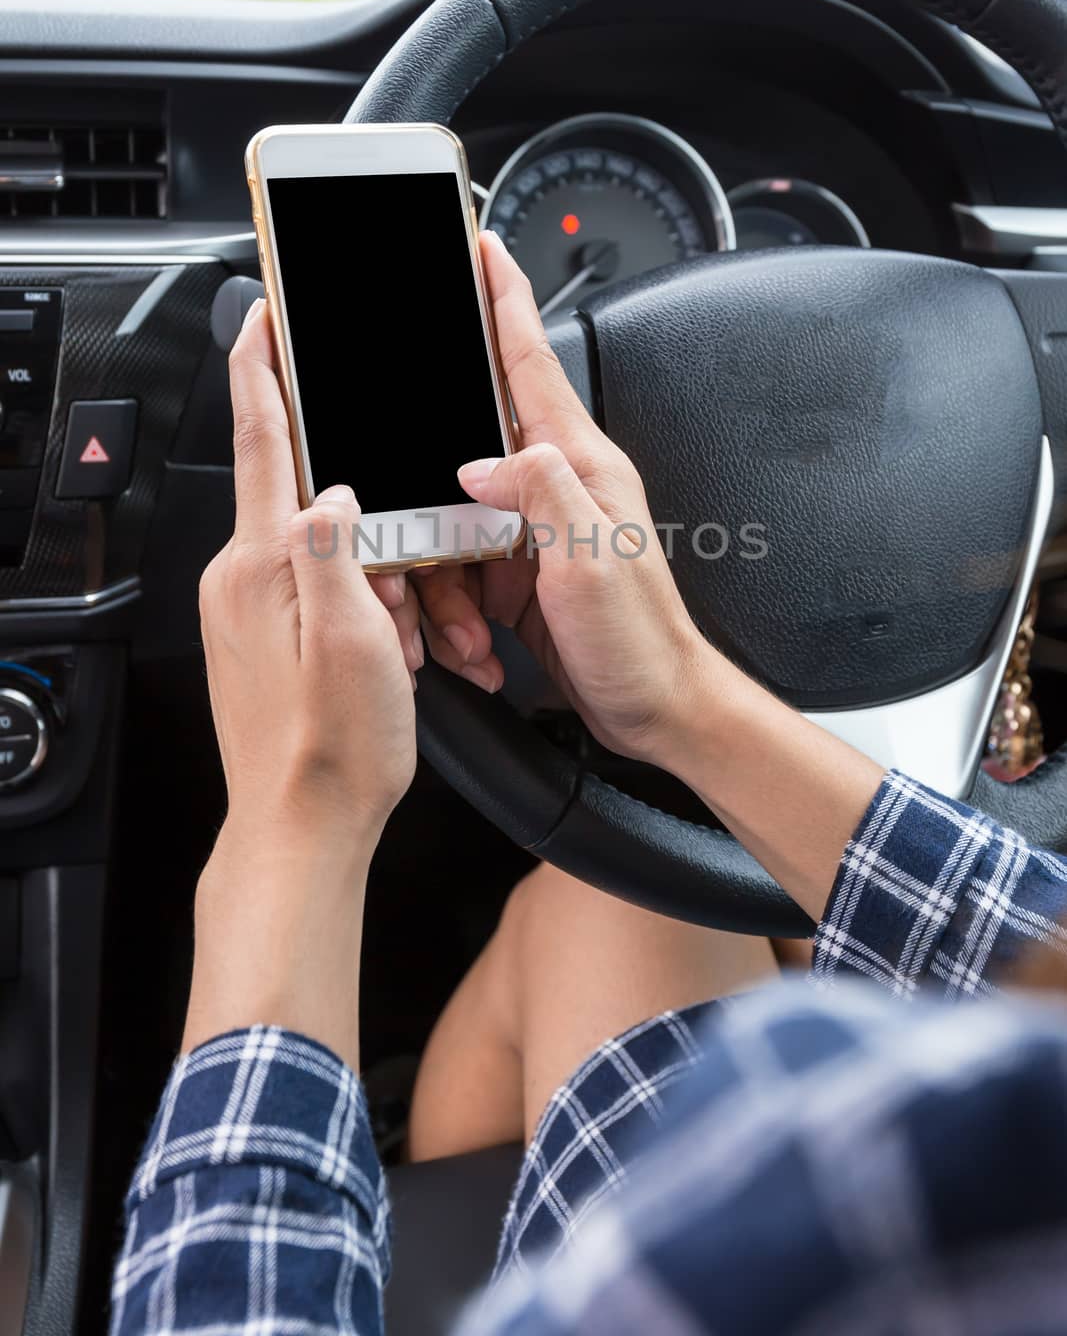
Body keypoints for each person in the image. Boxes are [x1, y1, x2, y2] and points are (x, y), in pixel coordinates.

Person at [110, 234, 1067, 1336]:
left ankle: (390, 1160)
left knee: (612, 893)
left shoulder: (837, 1182)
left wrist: (298, 812)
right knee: (619, 887)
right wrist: (676, 698)